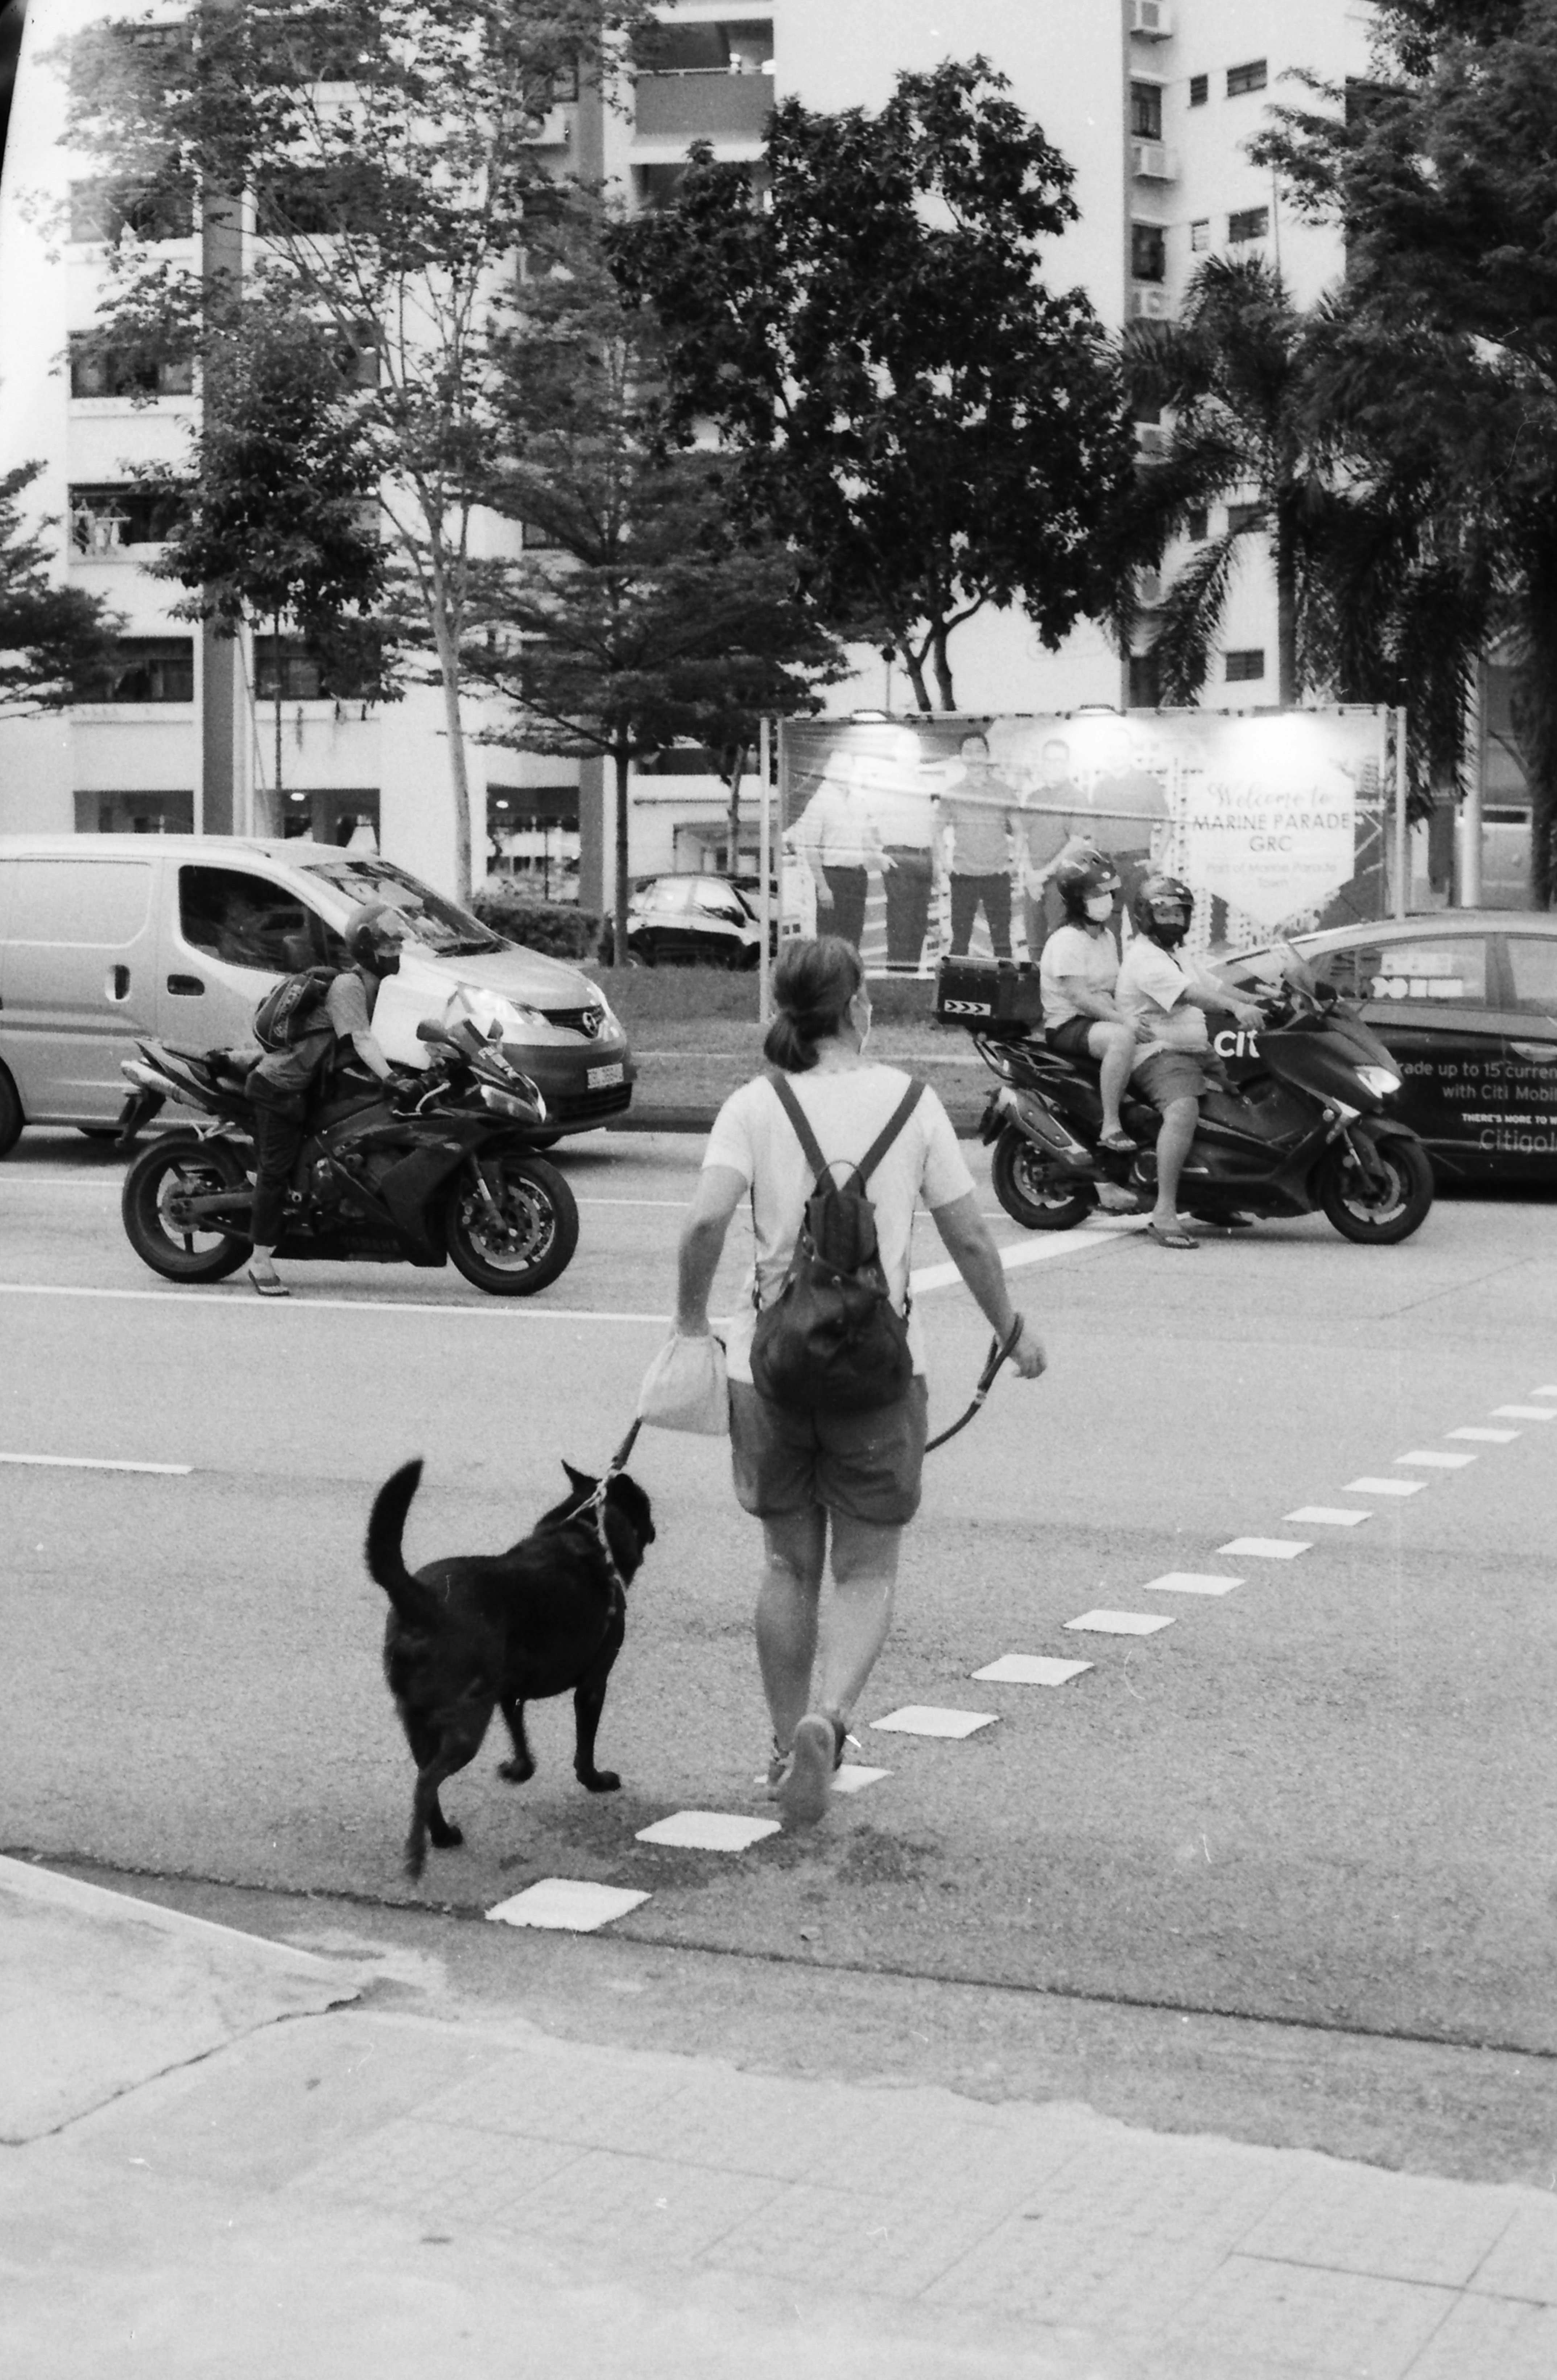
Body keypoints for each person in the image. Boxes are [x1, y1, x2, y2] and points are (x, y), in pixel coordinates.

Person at [674, 935, 1047, 1831]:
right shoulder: (912, 1103)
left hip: (765, 1369)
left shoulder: (752, 1104)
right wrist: (1013, 1331)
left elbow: (702, 1223)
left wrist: (691, 1325)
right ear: (856, 1009)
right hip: (882, 1373)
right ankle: (829, 1718)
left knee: (784, 1562)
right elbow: (967, 1238)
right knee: (866, 1568)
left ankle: (779, 1741)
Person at [244, 901, 406, 1297]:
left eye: (398, 942)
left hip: (308, 1087)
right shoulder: (350, 986)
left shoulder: (372, 985)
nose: (396, 951)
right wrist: (393, 1078)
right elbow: (362, 1039)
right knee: (276, 1170)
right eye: (388, 944)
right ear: (367, 947)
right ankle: (260, 1260)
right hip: (280, 1087)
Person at [1114, 874, 1265, 1249]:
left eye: (1179, 913)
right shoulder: (1146, 959)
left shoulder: (1179, 954)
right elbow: (1191, 993)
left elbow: (1213, 985)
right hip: (1158, 1052)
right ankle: (1164, 1211)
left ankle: (1210, 1199)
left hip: (1198, 1052)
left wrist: (1261, 1004)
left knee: (1239, 1108)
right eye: (1163, 912)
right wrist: (1235, 1008)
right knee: (1183, 1110)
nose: (1173, 920)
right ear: (1146, 916)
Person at [1038, 852, 1139, 1155]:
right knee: (1122, 1040)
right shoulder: (1067, 940)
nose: (1104, 899)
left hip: (1098, 1018)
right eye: (1095, 893)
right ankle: (1110, 1126)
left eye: (1108, 892)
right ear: (1076, 898)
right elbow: (1079, 997)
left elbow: (1112, 988)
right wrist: (1123, 1021)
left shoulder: (1106, 936)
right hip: (1068, 1024)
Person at [789, 751, 891, 949]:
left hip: (858, 877)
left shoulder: (858, 800)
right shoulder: (818, 803)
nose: (843, 773)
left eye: (847, 768)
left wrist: (879, 856)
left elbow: (864, 837)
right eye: (838, 768)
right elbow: (812, 849)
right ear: (827, 771)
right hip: (833, 878)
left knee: (853, 935)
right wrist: (823, 887)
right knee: (831, 940)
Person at [940, 730, 1018, 958]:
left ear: (988, 755)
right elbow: (936, 830)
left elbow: (1021, 831)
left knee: (1002, 941)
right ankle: (959, 993)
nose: (974, 756)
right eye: (968, 751)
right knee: (960, 941)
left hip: (997, 875)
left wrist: (1016, 864)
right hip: (964, 876)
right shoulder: (953, 794)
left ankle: (1006, 992)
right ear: (962, 758)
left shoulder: (1004, 792)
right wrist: (945, 863)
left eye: (979, 750)